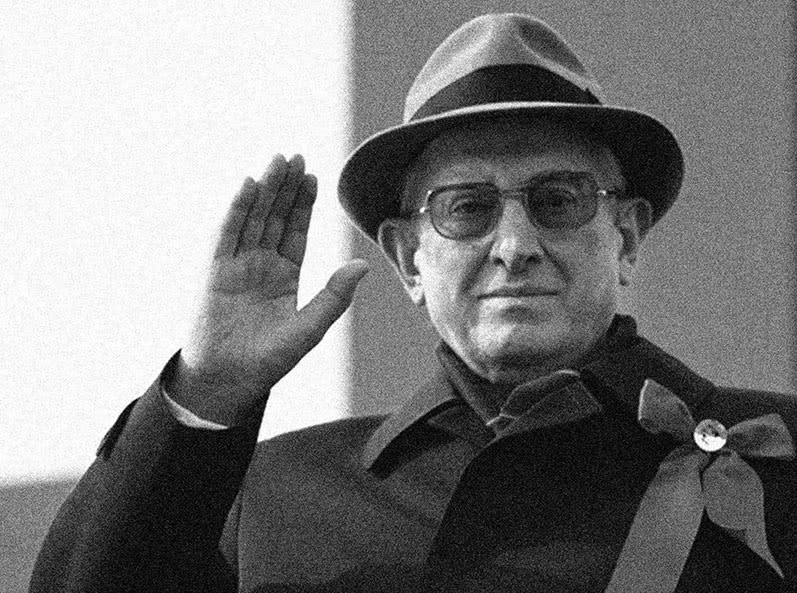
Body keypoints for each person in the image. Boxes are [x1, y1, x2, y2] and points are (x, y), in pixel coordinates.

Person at [31, 13, 797, 593]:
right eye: (467, 208)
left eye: (558, 199)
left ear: (624, 237)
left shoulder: (777, 452)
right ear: (407, 259)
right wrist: (207, 390)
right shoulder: (272, 494)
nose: (514, 244)